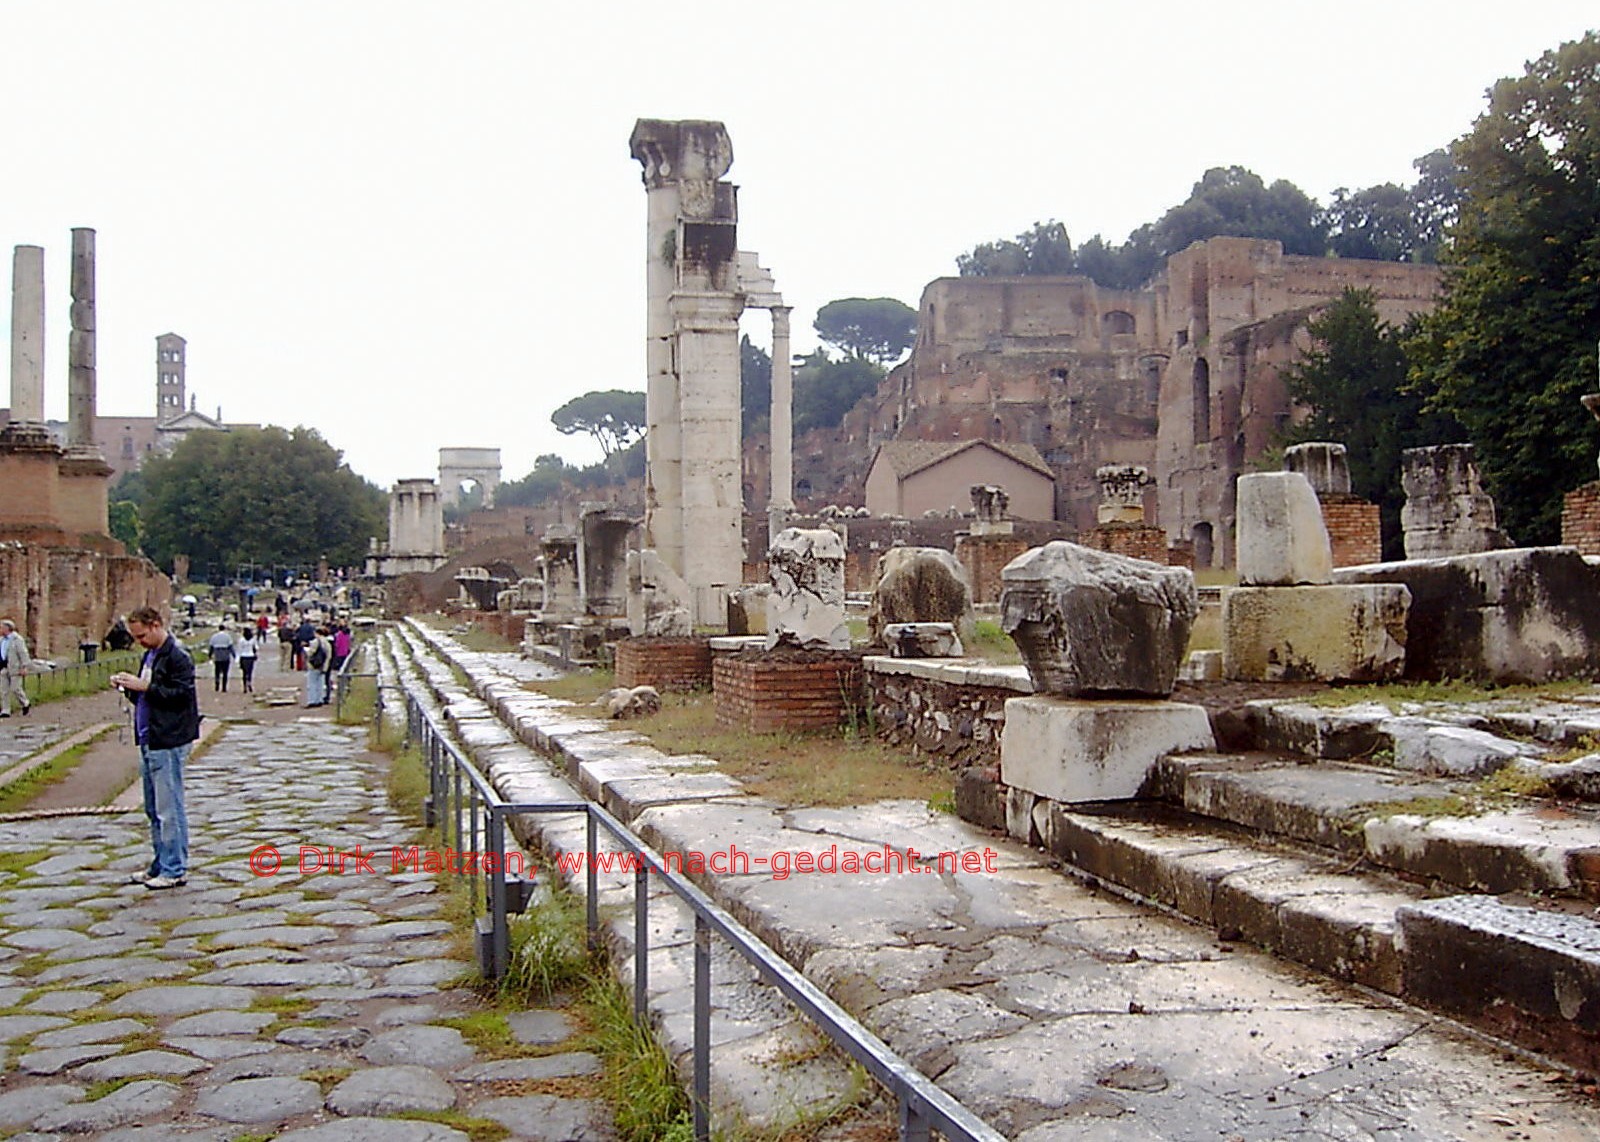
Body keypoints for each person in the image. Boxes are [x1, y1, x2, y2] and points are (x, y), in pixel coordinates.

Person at [110, 607, 200, 890]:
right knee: (152, 807)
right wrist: (129, 687)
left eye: (142, 635)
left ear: (156, 625)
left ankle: (175, 867)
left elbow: (180, 696)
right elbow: (147, 698)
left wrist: (145, 687)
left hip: (169, 739)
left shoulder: (178, 657)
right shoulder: (149, 656)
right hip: (150, 737)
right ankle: (160, 862)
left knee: (169, 807)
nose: (139, 641)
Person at [0, 619, 32, 718]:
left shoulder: (17, 639)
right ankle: (6, 710)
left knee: (15, 688)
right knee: (3, 690)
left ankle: (25, 702)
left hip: (15, 667)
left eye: (1, 627)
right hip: (3, 667)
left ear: (7, 628)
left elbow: (23, 653)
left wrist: (24, 666)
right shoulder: (1, 640)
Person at [303, 624, 332, 707]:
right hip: (323, 665)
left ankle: (312, 700)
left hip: (314, 665)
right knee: (320, 683)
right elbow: (329, 655)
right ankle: (319, 699)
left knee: (312, 683)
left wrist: (306, 651)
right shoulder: (327, 643)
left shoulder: (315, 642)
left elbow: (310, 653)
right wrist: (326, 666)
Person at [206, 622, 235, 692]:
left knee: (217, 671)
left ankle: (217, 684)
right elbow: (230, 647)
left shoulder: (214, 636)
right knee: (225, 672)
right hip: (225, 654)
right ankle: (224, 687)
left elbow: (211, 647)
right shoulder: (227, 636)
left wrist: (210, 655)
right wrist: (234, 655)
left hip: (217, 654)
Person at [235, 623, 258, 694]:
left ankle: (244, 686)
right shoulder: (253, 639)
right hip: (250, 656)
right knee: (250, 672)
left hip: (243, 656)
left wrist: (237, 659)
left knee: (244, 672)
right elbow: (256, 647)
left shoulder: (241, 640)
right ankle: (249, 682)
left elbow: (239, 649)